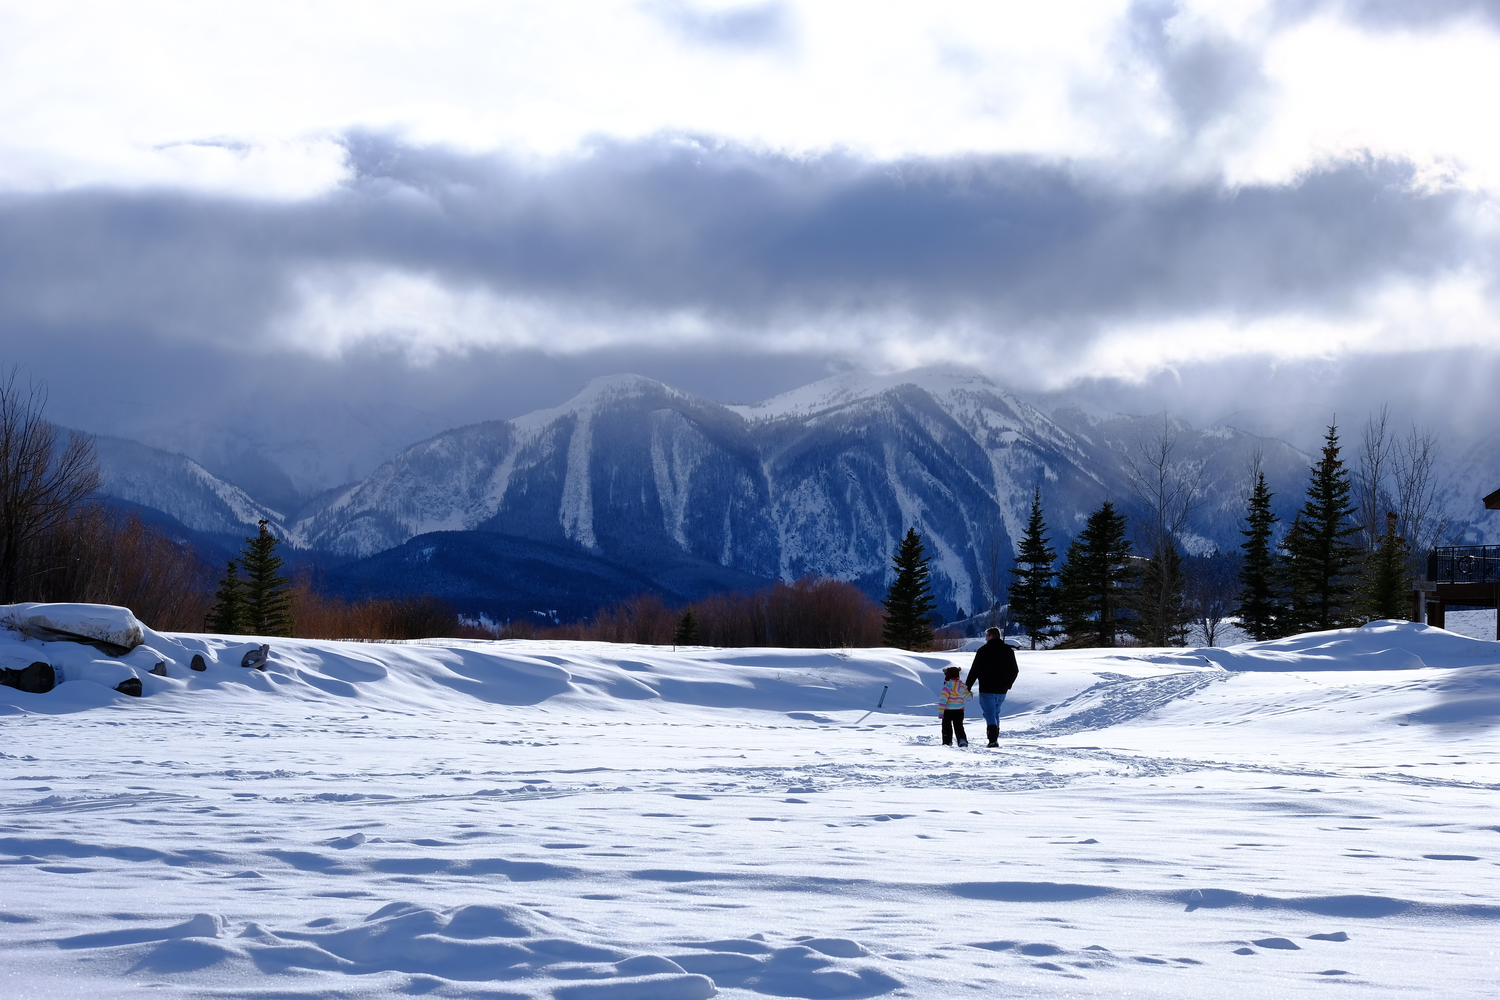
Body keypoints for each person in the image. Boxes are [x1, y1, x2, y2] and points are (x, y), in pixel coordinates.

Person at [966, 627, 1019, 747]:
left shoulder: (983, 651)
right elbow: (1015, 670)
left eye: (987, 636)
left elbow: (975, 670)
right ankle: (994, 738)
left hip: (987, 688)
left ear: (991, 636)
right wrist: (1008, 684)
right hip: (1002, 689)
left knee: (990, 714)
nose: (985, 638)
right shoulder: (1008, 650)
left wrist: (968, 686)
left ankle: (993, 740)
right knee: (996, 713)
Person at [937, 665, 971, 747]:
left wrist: (941, 712)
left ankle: (947, 741)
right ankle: (962, 740)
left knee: (946, 726)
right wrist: (970, 693)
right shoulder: (962, 686)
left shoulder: (947, 686)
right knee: (959, 726)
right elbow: (968, 697)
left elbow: (943, 700)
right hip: (959, 710)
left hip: (948, 711)